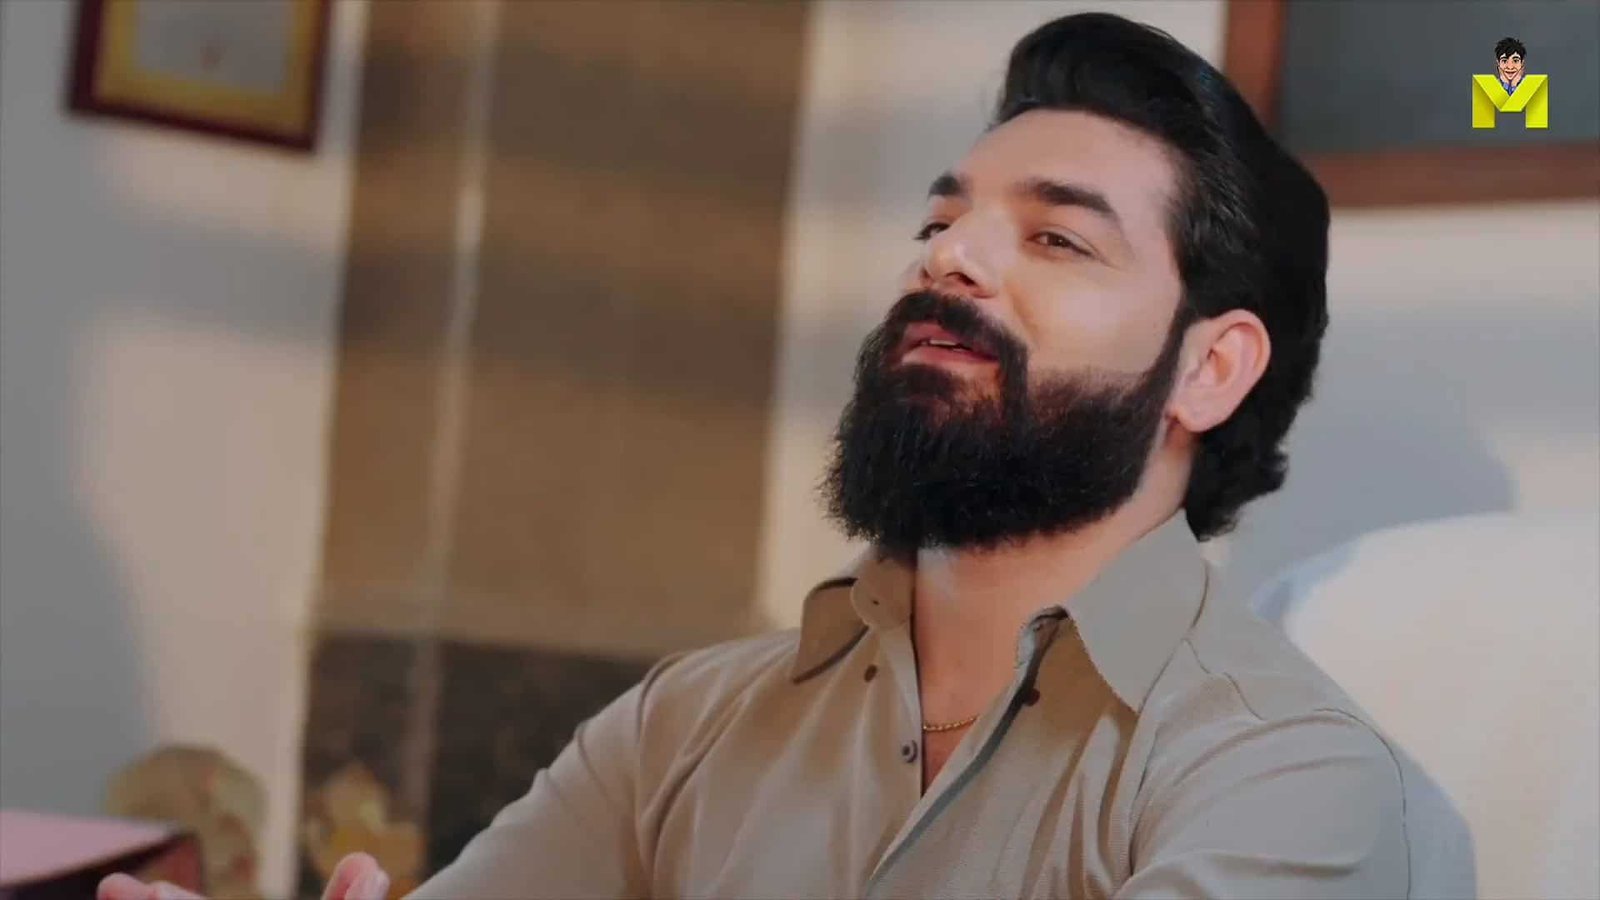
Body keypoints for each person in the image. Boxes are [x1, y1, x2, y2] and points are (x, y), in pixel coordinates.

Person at [103, 12, 1471, 899]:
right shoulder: (690, 722)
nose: (954, 258)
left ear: (1209, 368)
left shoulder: (1288, 782)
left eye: (1055, 238)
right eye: (946, 220)